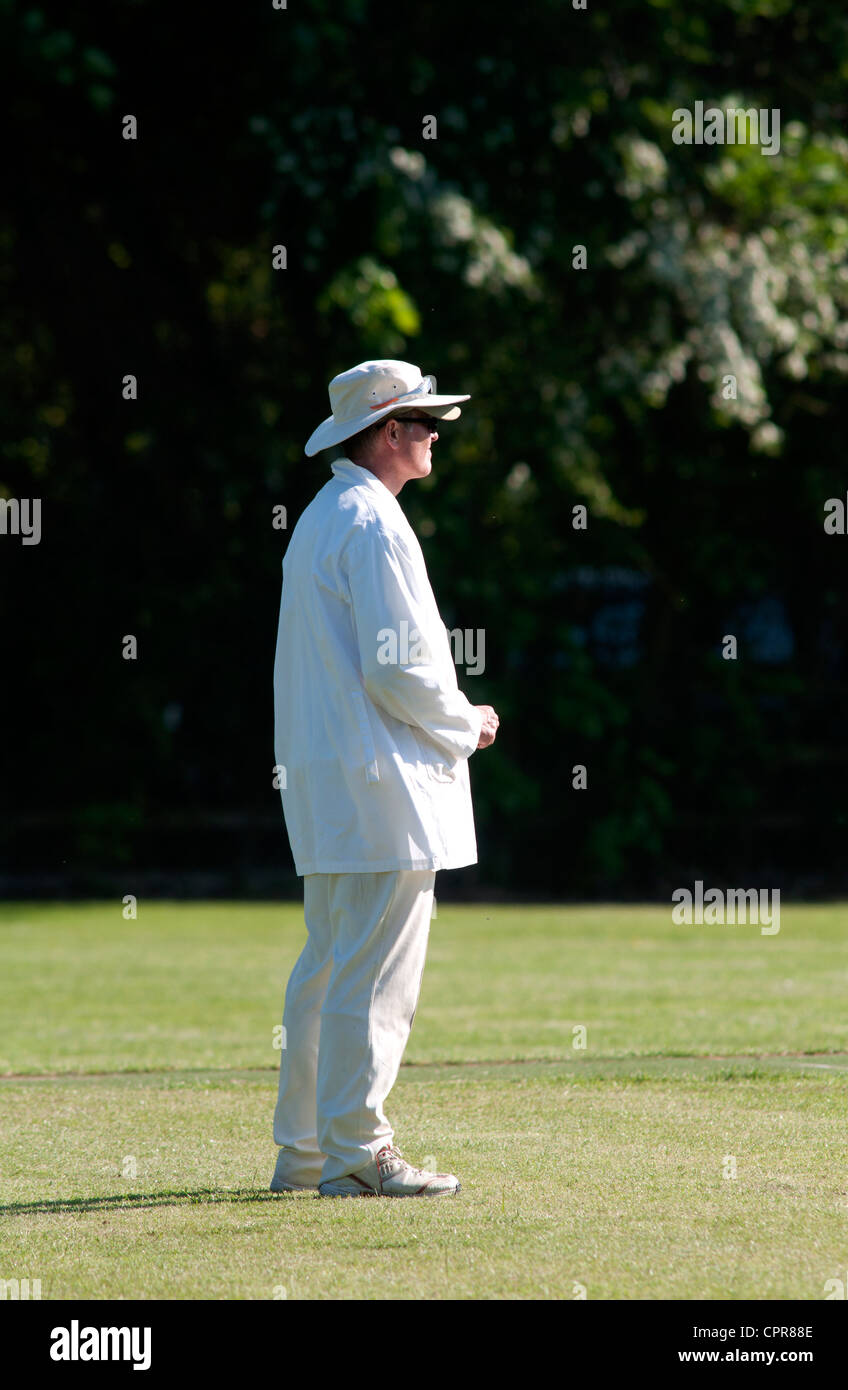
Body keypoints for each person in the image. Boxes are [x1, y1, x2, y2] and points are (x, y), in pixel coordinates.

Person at [270, 358, 499, 1198]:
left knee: (330, 966)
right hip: (382, 784)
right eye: (424, 421)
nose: (436, 433)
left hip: (336, 782)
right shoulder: (372, 523)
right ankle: (358, 1154)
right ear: (387, 432)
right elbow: (398, 669)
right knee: (372, 976)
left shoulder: (328, 515)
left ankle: (304, 1150)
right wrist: (464, 723)